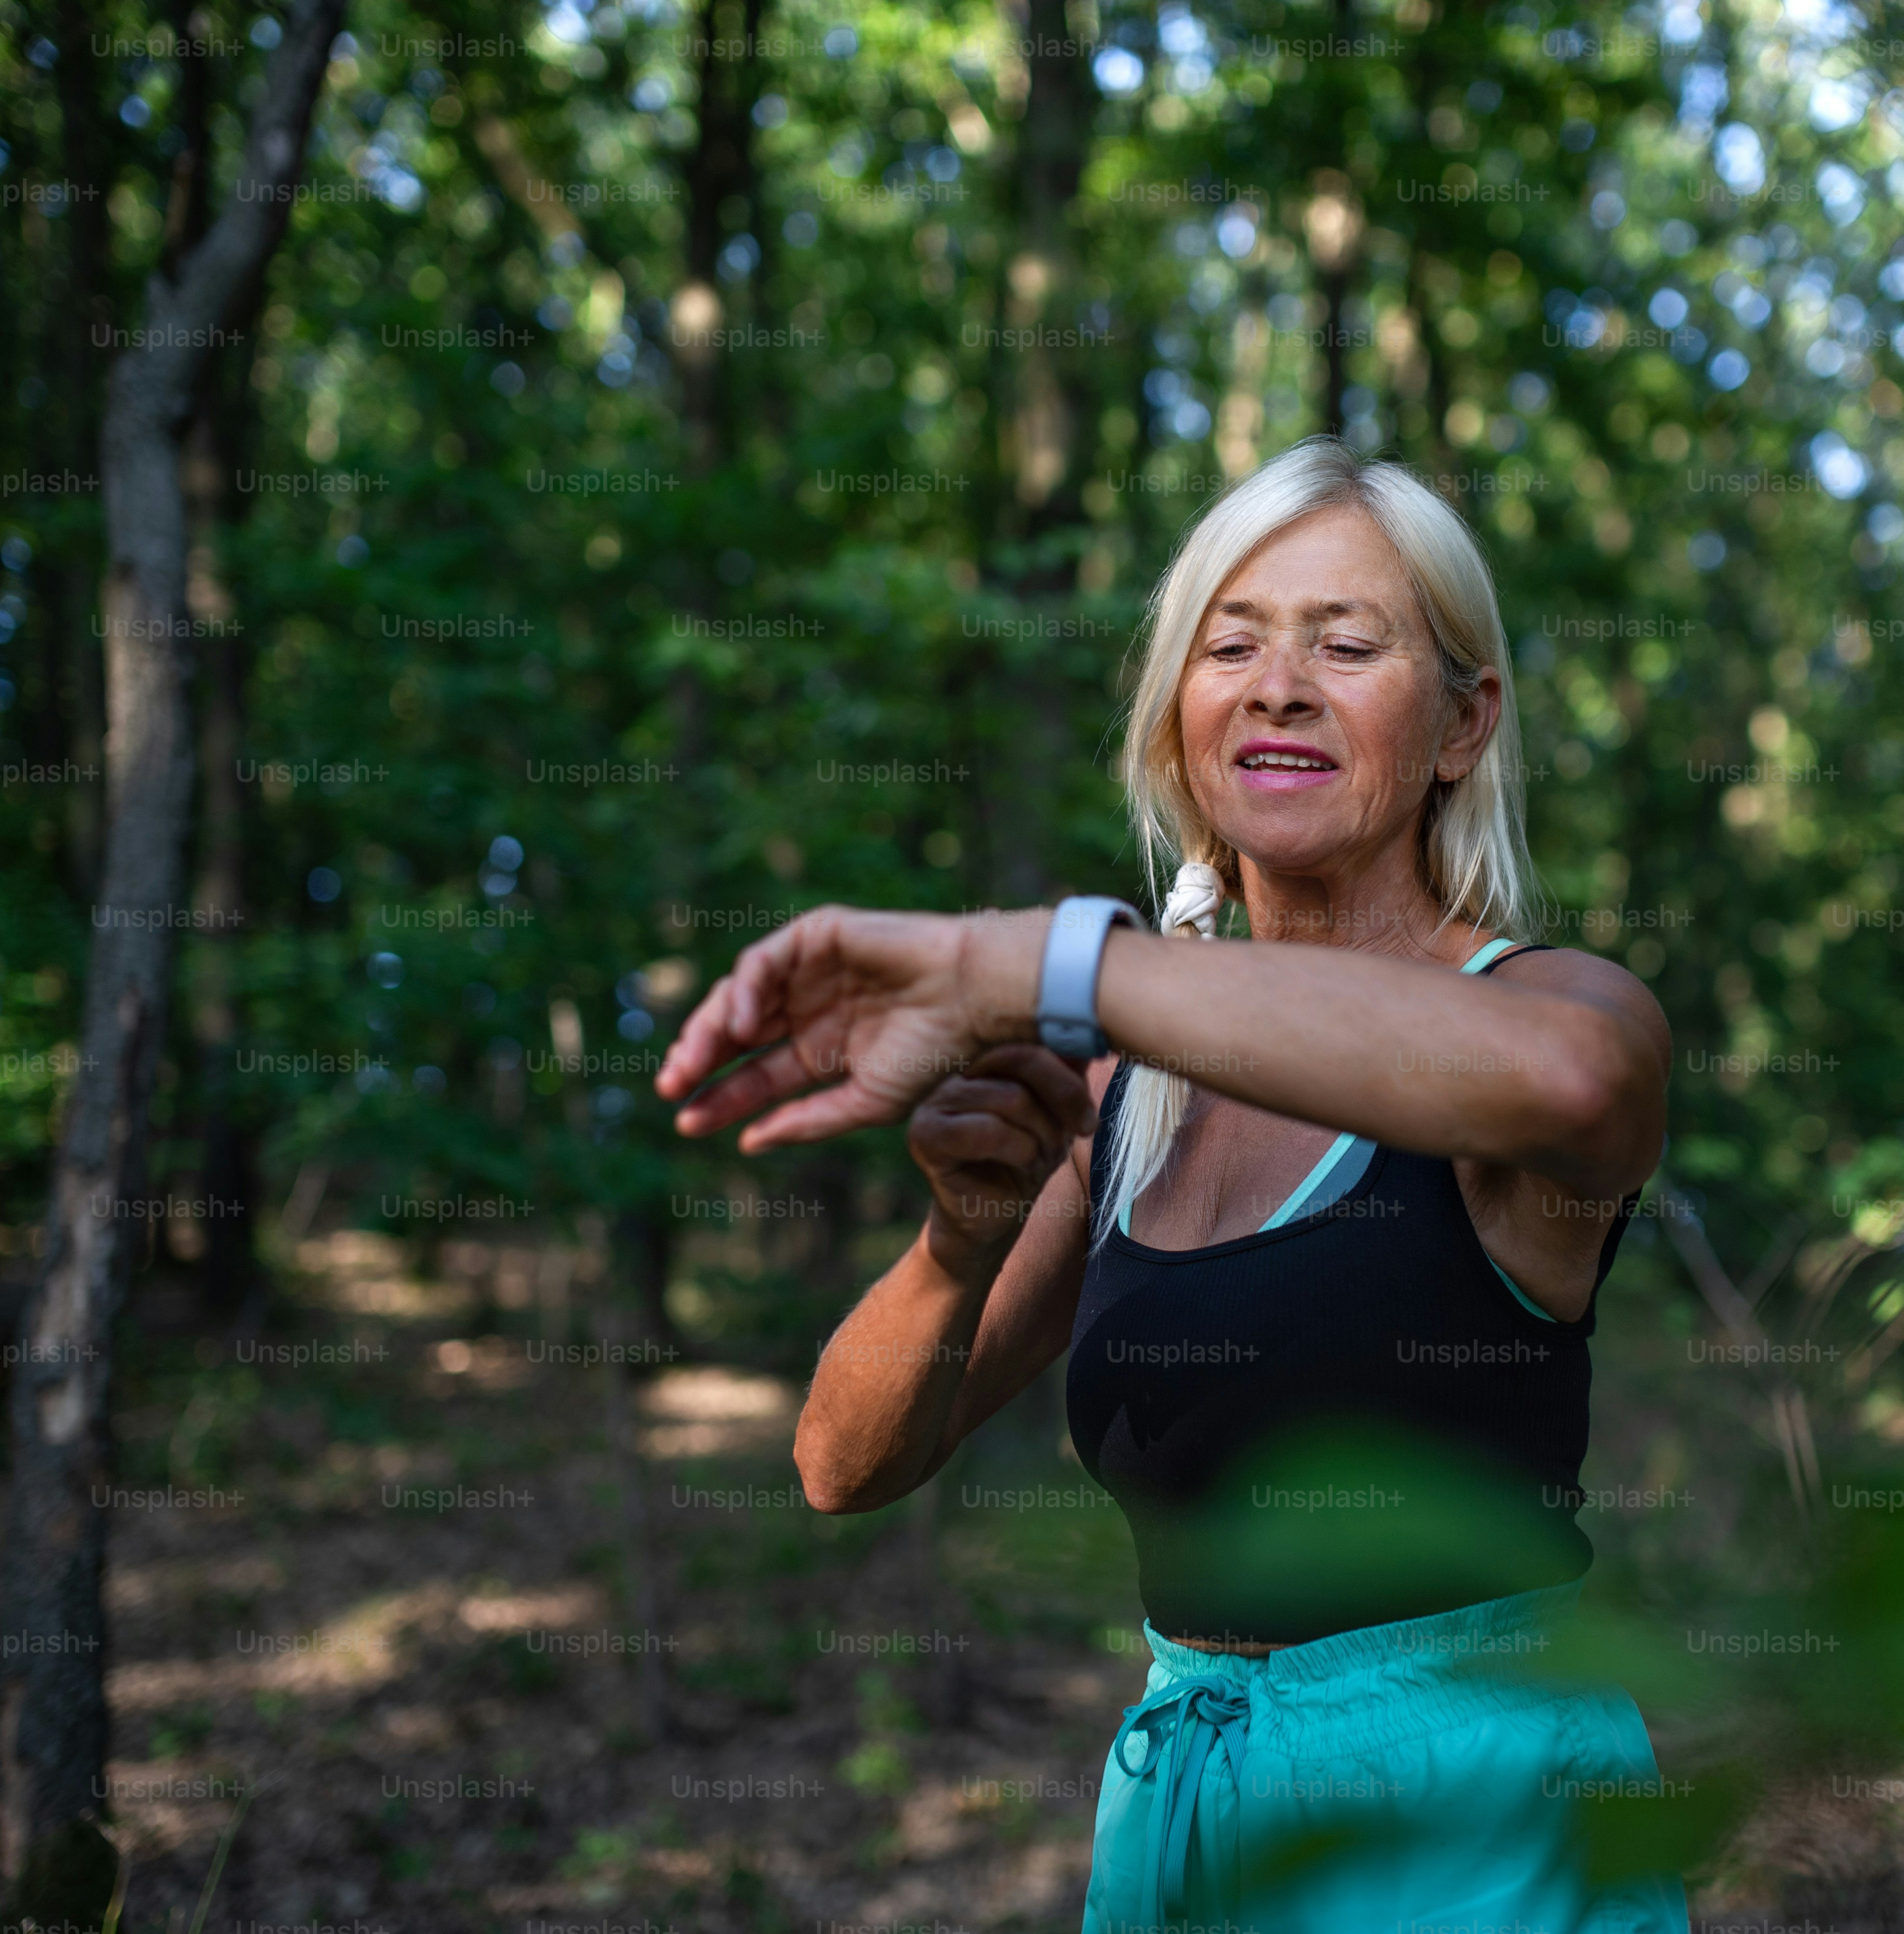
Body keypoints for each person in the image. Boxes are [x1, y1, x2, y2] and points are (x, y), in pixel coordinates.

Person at [657, 436, 1686, 1932]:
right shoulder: (1125, 1090)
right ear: (1180, 719)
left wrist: (1028, 963)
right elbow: (842, 1465)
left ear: (1464, 725)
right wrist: (959, 1244)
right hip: (1187, 1815)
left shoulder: (1561, 1012)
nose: (1281, 683)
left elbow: (1573, 1088)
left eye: (1348, 644)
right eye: (1233, 644)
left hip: (1477, 1829)